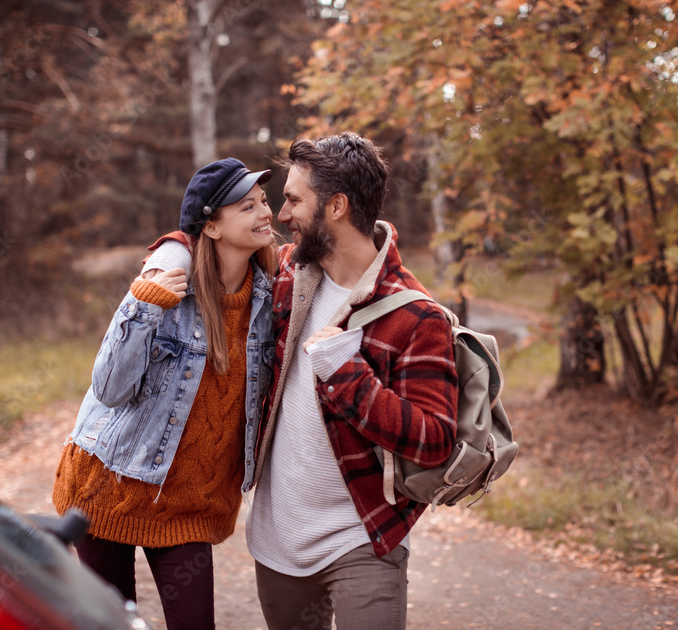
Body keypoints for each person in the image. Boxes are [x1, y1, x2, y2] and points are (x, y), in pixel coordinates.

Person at [145, 132, 459, 629]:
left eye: (293, 200)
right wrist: (168, 257)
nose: (282, 215)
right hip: (277, 543)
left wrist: (346, 372)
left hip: (362, 539)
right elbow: (210, 236)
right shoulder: (288, 271)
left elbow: (434, 441)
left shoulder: (418, 316)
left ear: (336, 206)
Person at [52, 158, 277, 630]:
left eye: (264, 202)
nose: (265, 212)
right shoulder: (166, 286)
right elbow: (109, 390)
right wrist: (142, 305)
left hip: (189, 506)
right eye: (247, 206)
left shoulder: (270, 296)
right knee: (109, 623)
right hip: (107, 487)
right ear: (211, 226)